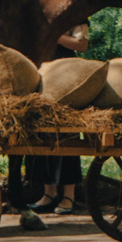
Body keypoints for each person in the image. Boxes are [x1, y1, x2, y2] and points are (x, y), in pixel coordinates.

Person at [29, 21, 90, 215]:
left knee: (66, 134)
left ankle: (68, 196)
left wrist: (54, 34)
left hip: (66, 74)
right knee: (41, 132)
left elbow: (82, 45)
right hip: (43, 70)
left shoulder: (77, 15)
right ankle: (48, 193)